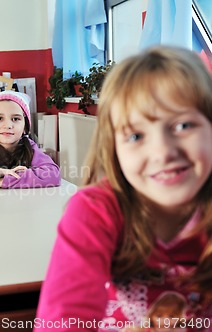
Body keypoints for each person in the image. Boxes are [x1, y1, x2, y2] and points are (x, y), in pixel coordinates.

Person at [34, 46, 212, 331]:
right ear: (113, 148)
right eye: (136, 135)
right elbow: (62, 322)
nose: (162, 152)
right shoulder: (95, 211)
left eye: (183, 125)